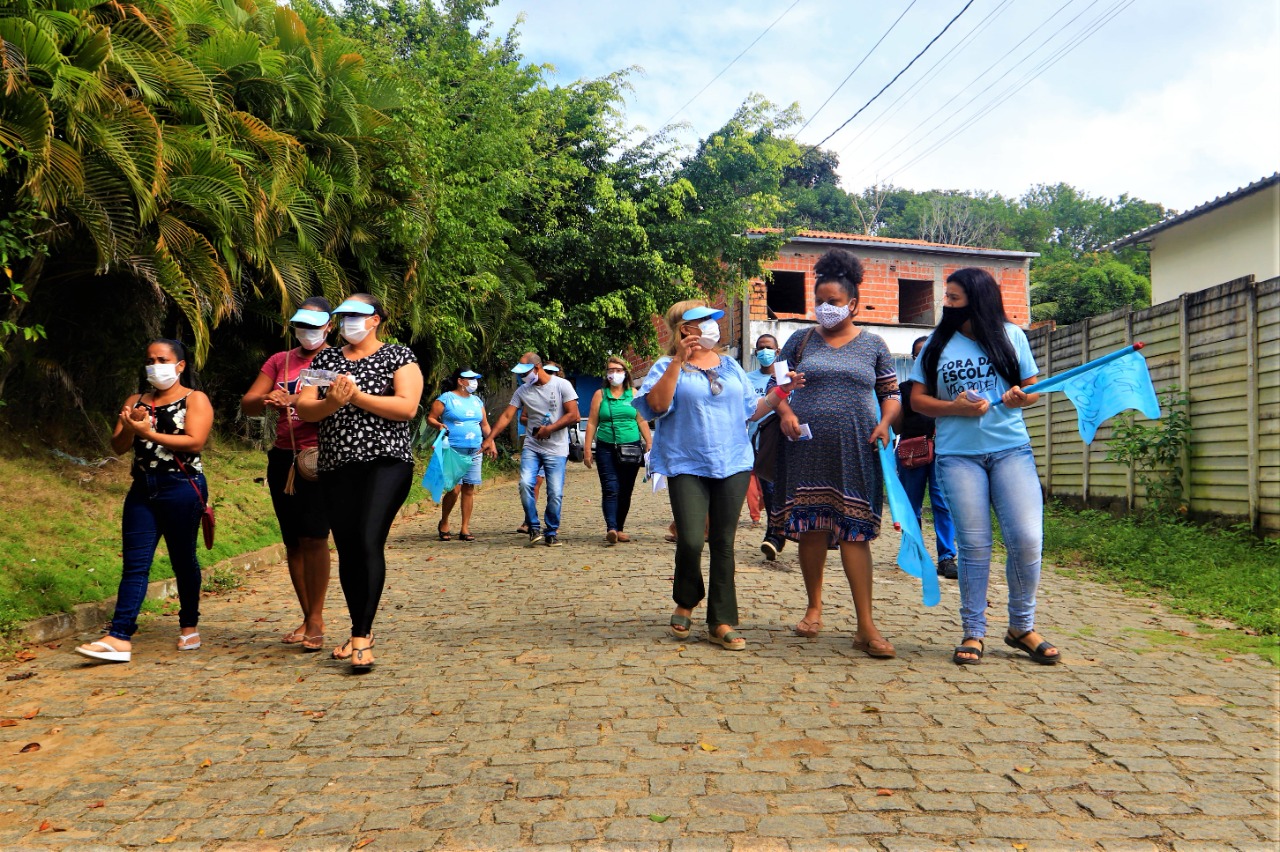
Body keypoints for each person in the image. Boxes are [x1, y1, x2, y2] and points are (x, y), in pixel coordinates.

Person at [908, 268, 1059, 667]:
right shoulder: (937, 345)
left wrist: (1018, 398)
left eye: (954, 298)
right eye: (947, 297)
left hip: (1011, 449)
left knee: (1027, 538)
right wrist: (953, 408)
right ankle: (973, 631)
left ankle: (1020, 627)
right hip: (957, 456)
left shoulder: (1013, 337)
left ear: (979, 298)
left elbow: (1033, 390)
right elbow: (918, 401)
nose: (947, 304)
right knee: (974, 546)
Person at [634, 301, 802, 651]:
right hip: (686, 463)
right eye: (704, 320)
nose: (713, 325)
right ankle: (686, 599)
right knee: (692, 539)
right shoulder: (665, 366)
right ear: (684, 329)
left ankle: (721, 620)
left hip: (734, 462)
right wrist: (679, 361)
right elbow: (658, 406)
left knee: (724, 543)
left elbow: (751, 411)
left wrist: (782, 391)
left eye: (714, 319)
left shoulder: (731, 367)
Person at [770, 249, 901, 658]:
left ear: (854, 304)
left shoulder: (875, 344)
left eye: (834, 302)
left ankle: (866, 625)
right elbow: (774, 387)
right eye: (820, 301)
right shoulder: (799, 340)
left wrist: (885, 423)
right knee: (811, 527)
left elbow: (891, 394)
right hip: (806, 449)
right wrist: (787, 410)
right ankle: (814, 607)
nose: (825, 309)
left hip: (857, 449)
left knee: (854, 532)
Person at [296, 294, 423, 673]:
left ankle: (362, 636)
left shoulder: (400, 356)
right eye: (343, 315)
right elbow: (304, 407)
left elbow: (406, 407)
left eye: (357, 314)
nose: (349, 320)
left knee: (369, 539)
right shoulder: (325, 359)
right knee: (349, 548)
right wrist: (332, 404)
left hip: (387, 462)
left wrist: (357, 397)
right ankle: (357, 629)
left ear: (376, 320)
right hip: (337, 464)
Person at [76, 340, 213, 663]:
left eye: (162, 359)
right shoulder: (136, 401)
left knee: (183, 559)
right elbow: (119, 445)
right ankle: (119, 636)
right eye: (150, 360)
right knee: (135, 564)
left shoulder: (195, 399)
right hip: (142, 489)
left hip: (182, 487)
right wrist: (132, 426)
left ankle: (189, 625)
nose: (155, 365)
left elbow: (194, 442)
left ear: (180, 365)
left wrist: (149, 432)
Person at [240, 299, 334, 652]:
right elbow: (249, 402)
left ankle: (317, 619)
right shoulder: (280, 361)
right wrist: (268, 399)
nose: (307, 332)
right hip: (284, 458)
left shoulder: (336, 360)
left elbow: (333, 404)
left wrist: (294, 400)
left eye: (315, 325)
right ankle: (308, 615)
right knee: (293, 541)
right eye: (301, 325)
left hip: (320, 457)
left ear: (329, 327)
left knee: (314, 537)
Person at [483, 353, 580, 547]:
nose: (522, 377)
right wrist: (490, 438)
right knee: (525, 484)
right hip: (532, 446)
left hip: (556, 449)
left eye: (525, 373)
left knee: (555, 493)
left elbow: (574, 415)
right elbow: (507, 416)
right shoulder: (522, 391)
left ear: (537, 368)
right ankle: (533, 526)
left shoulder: (562, 385)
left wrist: (549, 429)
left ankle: (551, 531)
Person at [897, 336, 958, 580]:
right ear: (914, 359)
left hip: (945, 450)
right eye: (919, 354)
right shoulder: (905, 389)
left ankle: (946, 557)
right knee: (910, 505)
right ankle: (913, 554)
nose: (925, 358)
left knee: (942, 503)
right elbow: (899, 425)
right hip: (913, 452)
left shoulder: (949, 385)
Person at [583, 356, 653, 545]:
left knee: (625, 489)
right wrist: (587, 450)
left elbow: (641, 420)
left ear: (625, 373)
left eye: (618, 370)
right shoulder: (600, 395)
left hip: (631, 447)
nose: (614, 373)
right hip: (606, 447)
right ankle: (611, 528)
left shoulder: (633, 393)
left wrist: (649, 442)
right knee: (610, 488)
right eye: (610, 370)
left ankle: (620, 527)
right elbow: (591, 422)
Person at [426, 369, 493, 542]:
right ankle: (445, 522)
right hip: (453, 449)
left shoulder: (477, 401)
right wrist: (439, 425)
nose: (474, 382)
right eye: (470, 379)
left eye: (475, 379)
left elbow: (484, 424)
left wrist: (490, 441)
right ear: (460, 381)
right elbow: (431, 418)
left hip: (475, 449)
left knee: (469, 488)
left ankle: (465, 528)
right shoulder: (446, 398)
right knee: (454, 488)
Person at [744, 334, 789, 560]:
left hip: (785, 441)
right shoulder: (747, 379)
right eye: (760, 348)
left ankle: (775, 534)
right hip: (758, 443)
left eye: (768, 347)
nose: (764, 352)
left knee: (778, 490)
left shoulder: (785, 377)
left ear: (778, 350)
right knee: (768, 491)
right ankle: (775, 533)